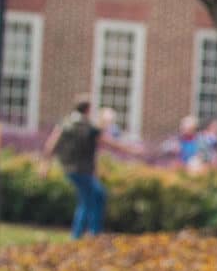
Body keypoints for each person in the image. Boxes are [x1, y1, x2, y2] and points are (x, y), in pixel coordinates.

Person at [40, 96, 141, 239]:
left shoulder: (65, 123)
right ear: (88, 109)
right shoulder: (89, 128)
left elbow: (50, 145)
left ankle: (89, 233)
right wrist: (132, 150)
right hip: (82, 170)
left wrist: (44, 166)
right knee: (90, 199)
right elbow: (109, 142)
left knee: (96, 195)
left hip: (69, 168)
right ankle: (84, 234)